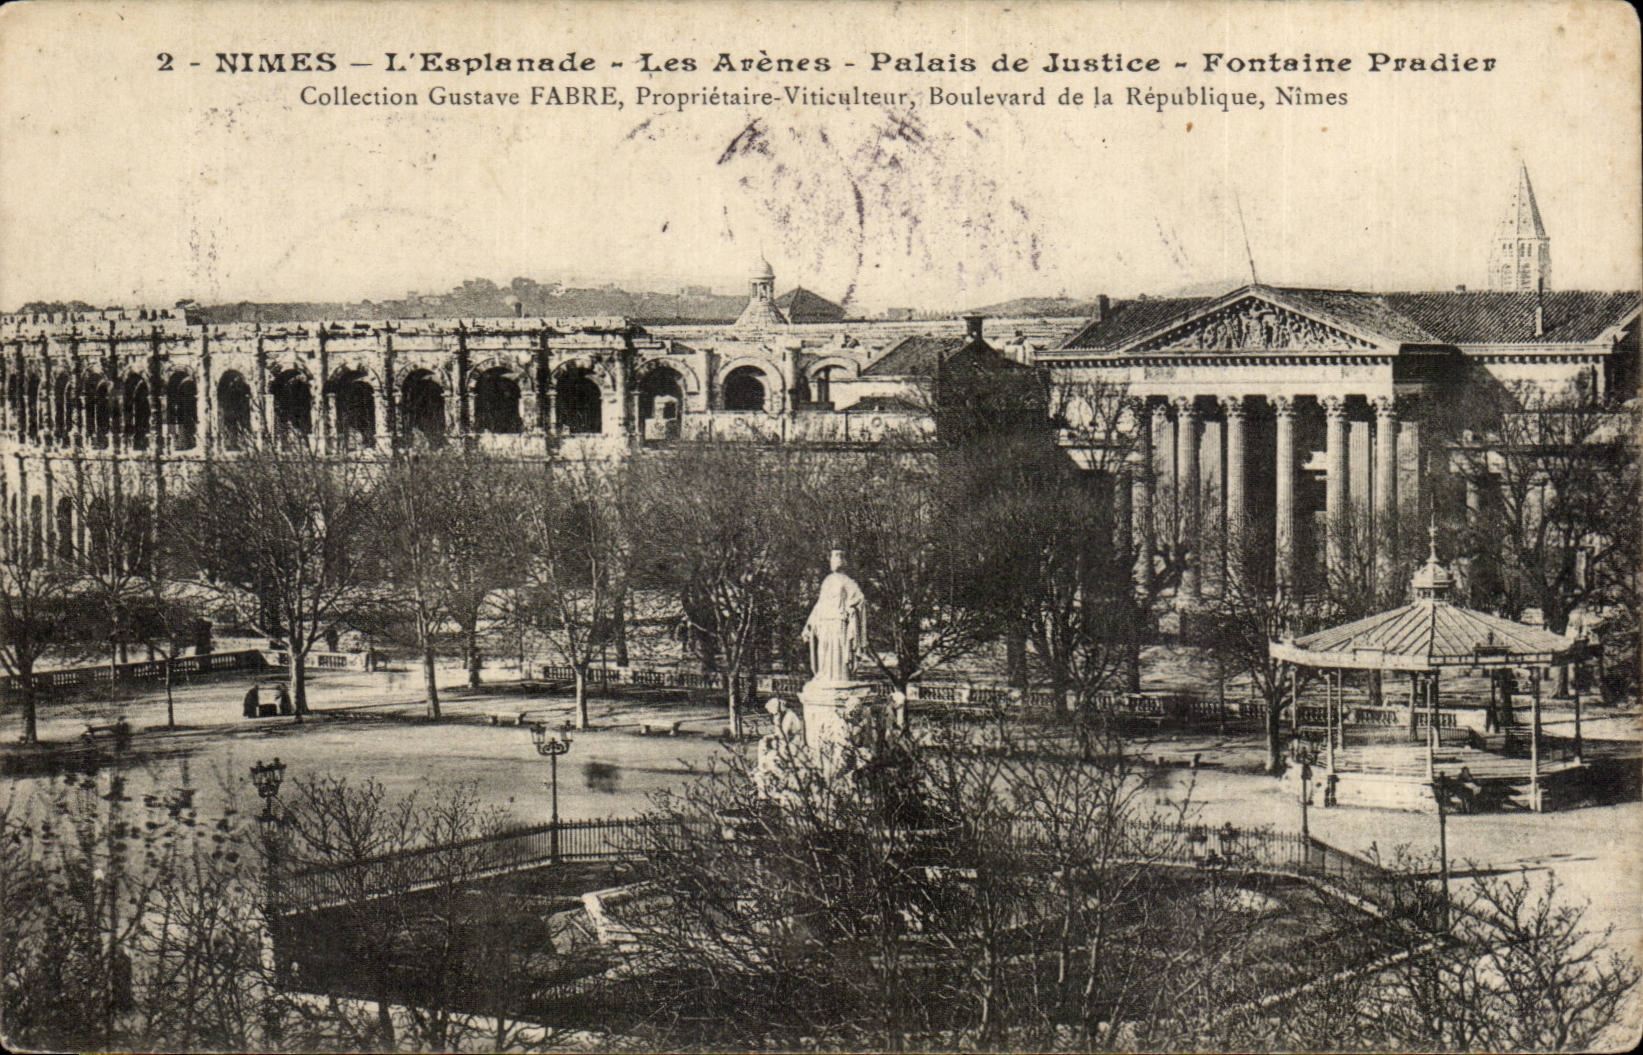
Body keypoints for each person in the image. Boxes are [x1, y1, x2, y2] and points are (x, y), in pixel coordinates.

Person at [802, 548, 867, 684]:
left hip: (839, 621)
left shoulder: (847, 581)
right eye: (833, 557)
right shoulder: (827, 581)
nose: (835, 560)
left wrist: (850, 607)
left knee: (838, 652)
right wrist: (809, 623)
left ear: (843, 561)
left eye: (838, 557)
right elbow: (819, 604)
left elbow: (860, 599)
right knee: (823, 651)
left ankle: (839, 678)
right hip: (824, 622)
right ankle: (824, 676)